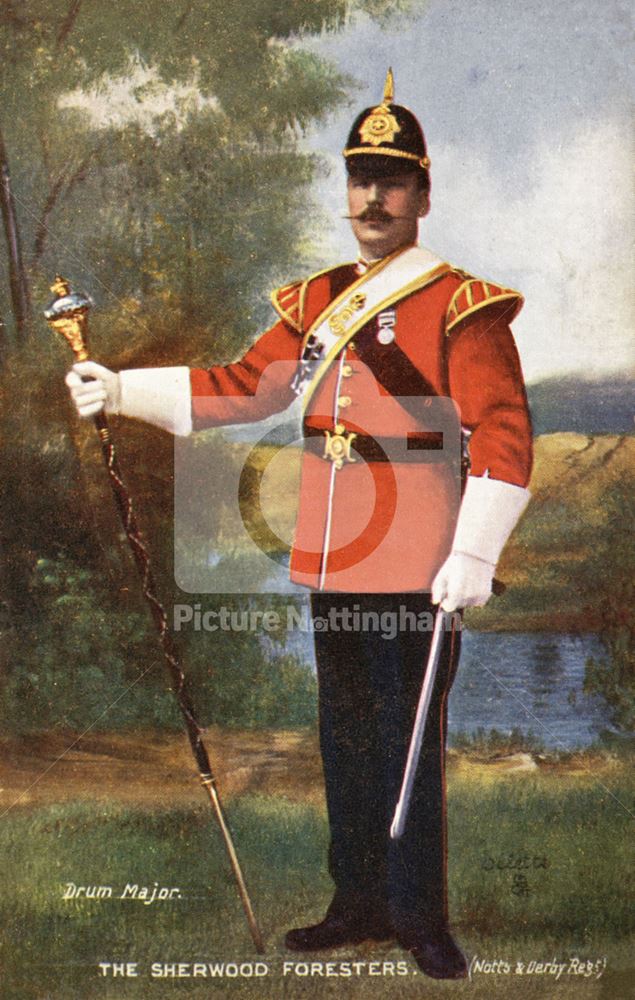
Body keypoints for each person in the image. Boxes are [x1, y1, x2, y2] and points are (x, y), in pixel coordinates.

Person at [66, 71, 533, 980]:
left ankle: (418, 919)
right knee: (345, 736)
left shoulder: (461, 304)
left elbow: (505, 433)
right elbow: (244, 389)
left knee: (408, 740)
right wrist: (120, 390)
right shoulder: (317, 300)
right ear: (346, 188)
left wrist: (474, 549)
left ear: (422, 195)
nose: (372, 196)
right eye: (360, 176)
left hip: (422, 559)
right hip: (335, 557)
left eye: (391, 180)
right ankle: (354, 905)